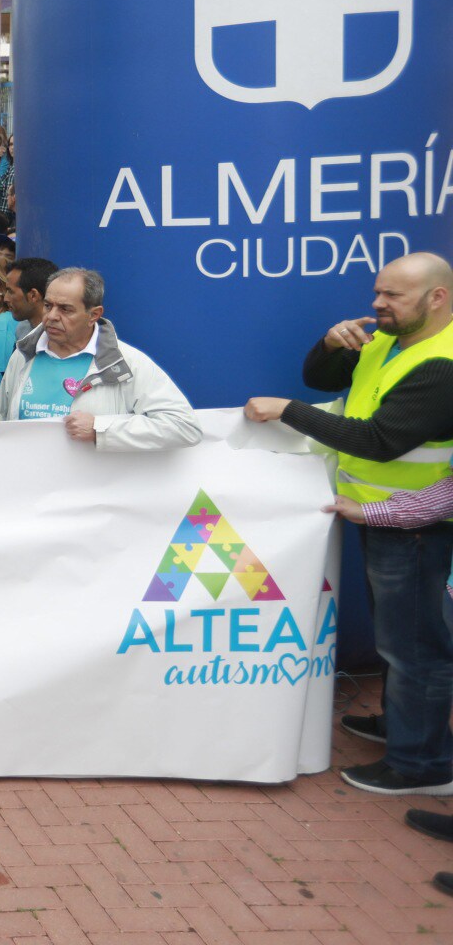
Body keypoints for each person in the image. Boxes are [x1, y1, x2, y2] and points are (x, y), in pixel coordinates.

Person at [243, 252, 453, 796]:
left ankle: (422, 764)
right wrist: (330, 346)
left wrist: (287, 410)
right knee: (401, 641)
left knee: (414, 649)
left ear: (437, 298)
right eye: (378, 291)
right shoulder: (386, 337)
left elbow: (378, 441)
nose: (377, 304)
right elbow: (319, 377)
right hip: (379, 513)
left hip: (416, 526)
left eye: (393, 296)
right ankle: (404, 728)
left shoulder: (442, 364)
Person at [0, 267, 199, 450]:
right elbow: (5, 422)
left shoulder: (124, 362)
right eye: (48, 305)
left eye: (65, 309)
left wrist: (101, 430)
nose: (52, 316)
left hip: (95, 491)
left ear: (94, 315)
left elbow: (183, 426)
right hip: (32, 489)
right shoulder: (23, 354)